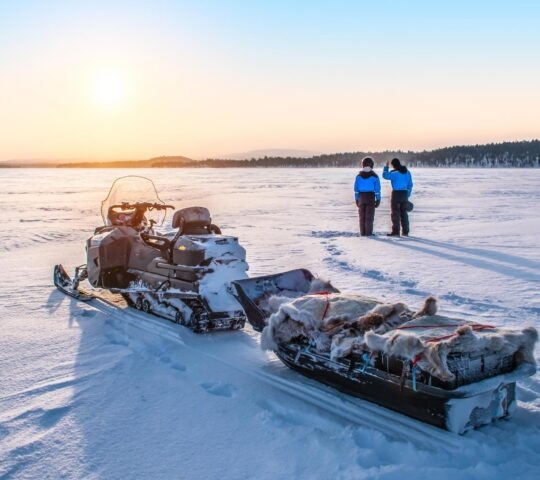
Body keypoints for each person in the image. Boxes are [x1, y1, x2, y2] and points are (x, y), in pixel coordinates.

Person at [382, 157, 413, 236]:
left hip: (396, 194)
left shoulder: (395, 174)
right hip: (404, 193)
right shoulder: (407, 172)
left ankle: (396, 231)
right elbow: (410, 184)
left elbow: (385, 175)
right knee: (404, 213)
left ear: (393, 165)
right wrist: (408, 194)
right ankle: (405, 231)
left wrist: (386, 167)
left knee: (395, 213)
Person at [353, 157, 381, 236]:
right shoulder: (375, 176)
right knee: (369, 216)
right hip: (370, 197)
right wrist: (378, 199)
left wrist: (356, 199)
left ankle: (363, 232)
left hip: (361, 196)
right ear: (371, 165)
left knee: (362, 216)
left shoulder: (358, 176)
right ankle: (368, 233)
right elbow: (377, 190)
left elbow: (356, 189)